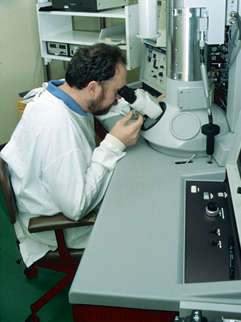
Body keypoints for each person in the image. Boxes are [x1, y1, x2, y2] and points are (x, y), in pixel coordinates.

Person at [0, 43, 144, 267]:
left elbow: (104, 104)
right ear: (93, 88)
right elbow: (76, 209)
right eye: (117, 92)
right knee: (142, 220)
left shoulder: (64, 93)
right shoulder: (58, 126)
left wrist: (141, 103)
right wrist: (114, 143)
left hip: (50, 194)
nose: (119, 98)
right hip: (59, 227)